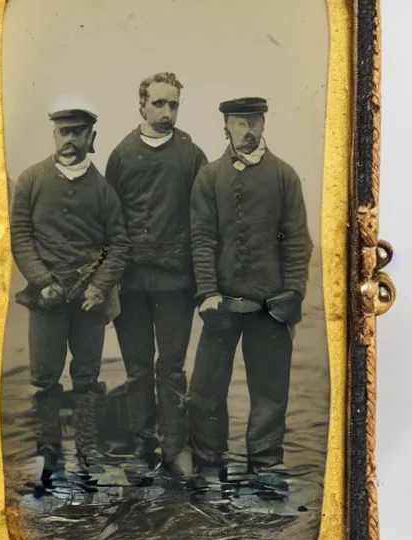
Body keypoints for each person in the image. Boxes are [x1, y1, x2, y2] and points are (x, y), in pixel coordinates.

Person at [188, 97, 312, 488]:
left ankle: (265, 465)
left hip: (269, 307)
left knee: (270, 391)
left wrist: (293, 293)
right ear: (226, 126)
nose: (247, 131)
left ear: (263, 124)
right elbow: (202, 238)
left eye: (254, 122)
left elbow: (296, 241)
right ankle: (209, 463)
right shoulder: (209, 176)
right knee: (206, 389)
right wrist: (207, 291)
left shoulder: (284, 175)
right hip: (221, 305)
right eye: (239, 124)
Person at [10, 94, 130, 487]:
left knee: (86, 377)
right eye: (64, 132)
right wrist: (42, 281)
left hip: (89, 304)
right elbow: (21, 237)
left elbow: (119, 245)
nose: (70, 140)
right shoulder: (30, 180)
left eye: (79, 132)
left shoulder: (103, 190)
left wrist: (99, 286)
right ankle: (50, 453)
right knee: (45, 379)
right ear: (54, 133)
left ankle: (88, 453)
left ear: (91, 135)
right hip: (45, 302)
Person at [105, 72, 207, 479]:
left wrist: (203, 283)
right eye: (159, 103)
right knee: (137, 370)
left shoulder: (190, 154)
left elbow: (201, 221)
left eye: (174, 105)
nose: (167, 112)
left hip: (176, 285)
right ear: (142, 105)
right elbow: (109, 223)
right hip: (129, 284)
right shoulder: (122, 154)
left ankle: (175, 446)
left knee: (172, 368)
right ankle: (142, 445)